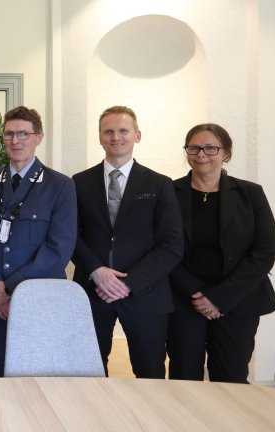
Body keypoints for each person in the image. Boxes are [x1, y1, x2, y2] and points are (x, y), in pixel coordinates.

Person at [71, 106, 184, 379]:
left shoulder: (159, 184)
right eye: (108, 131)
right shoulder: (78, 182)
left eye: (123, 130)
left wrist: (127, 283)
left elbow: (171, 244)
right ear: (99, 137)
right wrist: (97, 271)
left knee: (150, 372)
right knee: (88, 370)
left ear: (137, 135)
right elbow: (70, 235)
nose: (115, 137)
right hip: (92, 291)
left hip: (146, 294)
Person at [0, 106, 77, 377]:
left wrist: (10, 288)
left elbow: (59, 249)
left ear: (39, 137)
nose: (15, 141)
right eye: (9, 134)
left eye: (23, 134)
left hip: (39, 297)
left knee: (38, 374)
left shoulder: (60, 185)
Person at [167, 123, 275, 383]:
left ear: (226, 152)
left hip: (238, 301)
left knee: (231, 377)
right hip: (184, 301)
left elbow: (265, 251)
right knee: (184, 377)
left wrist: (218, 297)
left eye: (210, 148)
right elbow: (163, 248)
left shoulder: (251, 193)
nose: (201, 154)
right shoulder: (169, 193)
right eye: (193, 147)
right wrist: (198, 295)